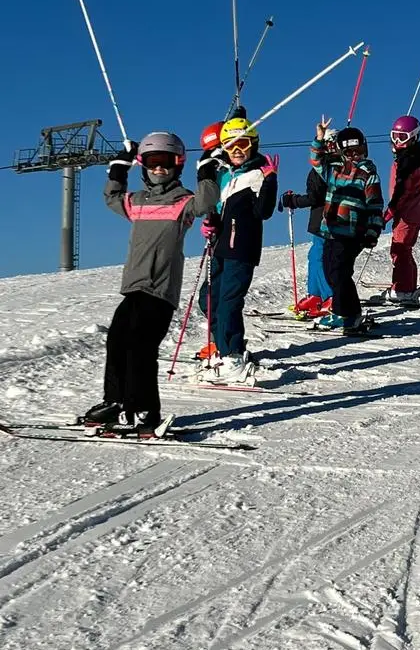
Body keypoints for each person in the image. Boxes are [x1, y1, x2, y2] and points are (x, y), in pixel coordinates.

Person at [82, 132, 220, 434]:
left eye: (167, 162)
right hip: (133, 286)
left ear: (178, 165)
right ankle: (116, 402)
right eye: (153, 162)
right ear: (144, 165)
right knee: (117, 340)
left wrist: (207, 170)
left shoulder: (184, 201)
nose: (160, 169)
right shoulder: (137, 202)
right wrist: (120, 167)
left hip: (160, 289)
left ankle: (145, 409)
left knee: (141, 347)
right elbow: (112, 198)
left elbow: (207, 201)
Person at [199, 116, 278, 383]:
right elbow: (221, 211)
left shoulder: (257, 174)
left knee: (229, 303)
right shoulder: (227, 175)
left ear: (253, 144)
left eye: (242, 144)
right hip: (220, 248)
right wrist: (210, 224)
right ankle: (224, 348)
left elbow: (263, 211)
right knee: (207, 300)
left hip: (241, 249)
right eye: (230, 145)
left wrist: (270, 181)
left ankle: (232, 354)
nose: (236, 150)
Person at [310, 117, 384, 333]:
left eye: (359, 151)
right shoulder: (333, 170)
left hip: (353, 232)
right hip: (331, 229)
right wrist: (320, 139)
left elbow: (375, 205)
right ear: (342, 152)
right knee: (329, 271)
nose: (355, 156)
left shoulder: (368, 174)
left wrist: (373, 230)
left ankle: (350, 314)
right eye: (350, 153)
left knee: (340, 272)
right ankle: (341, 311)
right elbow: (316, 161)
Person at [278, 128, 337, 319]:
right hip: (320, 219)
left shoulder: (330, 168)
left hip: (327, 219)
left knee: (320, 257)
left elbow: (315, 197)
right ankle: (316, 294)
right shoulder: (327, 166)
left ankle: (330, 296)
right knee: (314, 255)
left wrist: (293, 200)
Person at [382, 115, 420, 305]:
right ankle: (406, 286)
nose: (397, 141)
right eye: (394, 136)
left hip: (409, 213)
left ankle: (403, 289)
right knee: (403, 249)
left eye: (402, 137)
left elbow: (402, 194)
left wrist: (387, 214)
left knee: (400, 249)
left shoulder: (410, 163)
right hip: (411, 211)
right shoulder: (410, 158)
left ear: (414, 137)